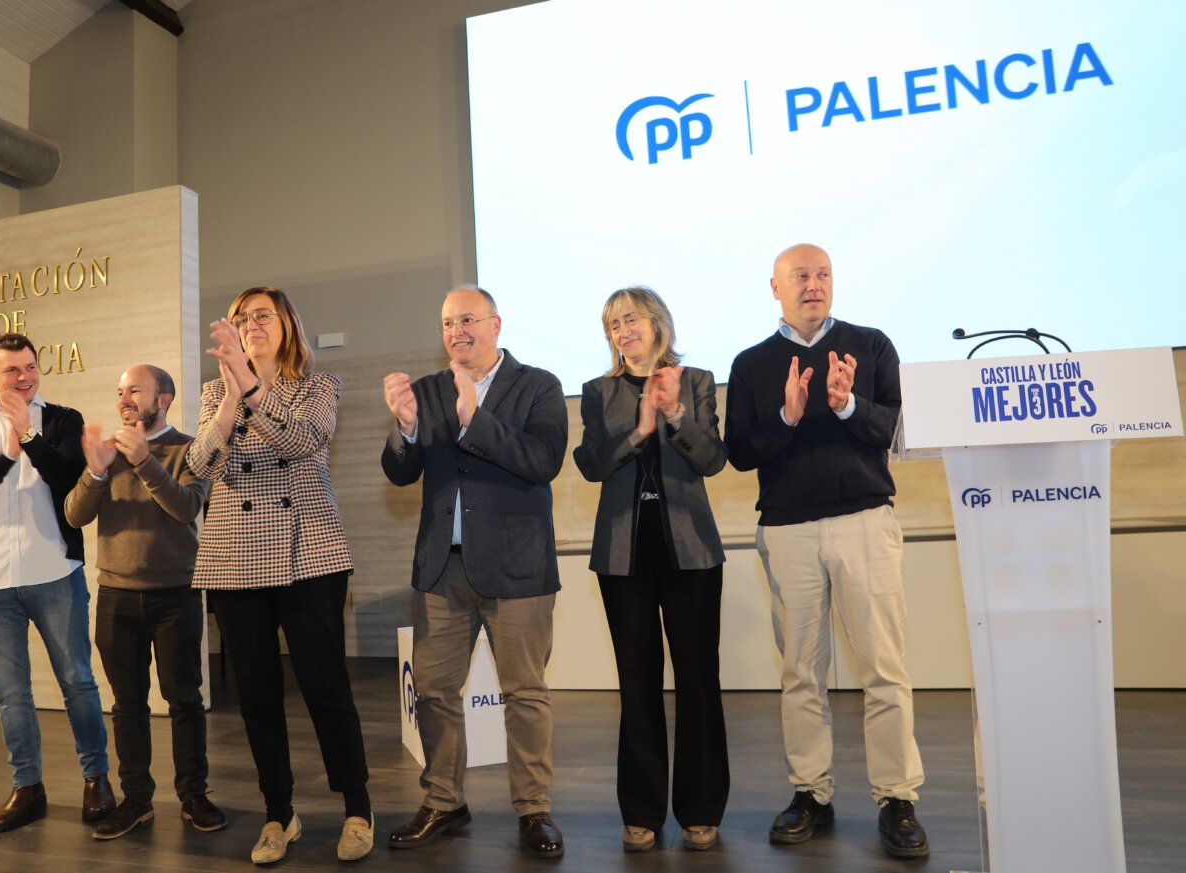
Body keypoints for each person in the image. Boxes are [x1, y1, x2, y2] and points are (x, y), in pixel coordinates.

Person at [724, 244, 928, 859]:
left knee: (884, 670)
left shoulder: (871, 345)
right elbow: (739, 451)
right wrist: (787, 418)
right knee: (801, 674)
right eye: (800, 277)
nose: (814, 285)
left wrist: (845, 406)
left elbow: (896, 431)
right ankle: (811, 791)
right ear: (776, 288)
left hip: (865, 521)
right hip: (788, 530)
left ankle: (897, 798)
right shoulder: (752, 363)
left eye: (823, 275)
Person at [187, 287, 373, 864]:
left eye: (262, 315)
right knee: (258, 696)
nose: (251, 325)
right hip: (233, 555)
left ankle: (358, 808)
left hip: (307, 555)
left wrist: (250, 386)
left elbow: (303, 440)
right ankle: (278, 813)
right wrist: (225, 409)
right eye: (241, 318)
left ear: (288, 324)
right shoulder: (215, 391)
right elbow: (197, 468)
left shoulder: (319, 386)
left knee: (323, 686)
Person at [381, 285, 568, 858]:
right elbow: (399, 473)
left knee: (525, 694)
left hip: (517, 568)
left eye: (467, 319)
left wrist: (476, 420)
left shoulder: (539, 386)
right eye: (446, 323)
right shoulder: (429, 390)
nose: (456, 331)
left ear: (496, 324)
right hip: (443, 568)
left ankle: (533, 810)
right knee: (434, 692)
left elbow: (543, 462)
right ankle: (444, 801)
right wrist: (407, 427)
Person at [573, 286, 730, 852]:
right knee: (636, 685)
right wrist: (639, 429)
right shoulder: (599, 391)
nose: (622, 330)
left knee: (697, 683)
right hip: (624, 555)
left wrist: (675, 415)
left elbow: (713, 458)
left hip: (690, 553)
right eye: (613, 324)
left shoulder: (697, 381)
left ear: (657, 322)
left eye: (631, 318)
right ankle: (641, 809)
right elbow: (590, 464)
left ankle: (700, 808)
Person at [0, 332, 114, 832]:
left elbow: (70, 478)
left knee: (78, 682)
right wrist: (6, 455)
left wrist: (32, 439)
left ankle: (96, 780)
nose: (25, 377)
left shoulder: (64, 420)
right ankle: (28, 788)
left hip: (54, 573)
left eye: (31, 367)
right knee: (10, 694)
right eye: (13, 370)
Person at [64, 364, 224, 840]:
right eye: (120, 391)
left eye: (135, 389)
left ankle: (193, 795)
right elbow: (75, 514)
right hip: (115, 595)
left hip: (175, 595)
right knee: (127, 705)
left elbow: (187, 507)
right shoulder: (107, 453)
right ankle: (136, 801)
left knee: (184, 700)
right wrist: (95, 470)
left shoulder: (190, 448)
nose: (124, 398)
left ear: (165, 398)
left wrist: (145, 461)